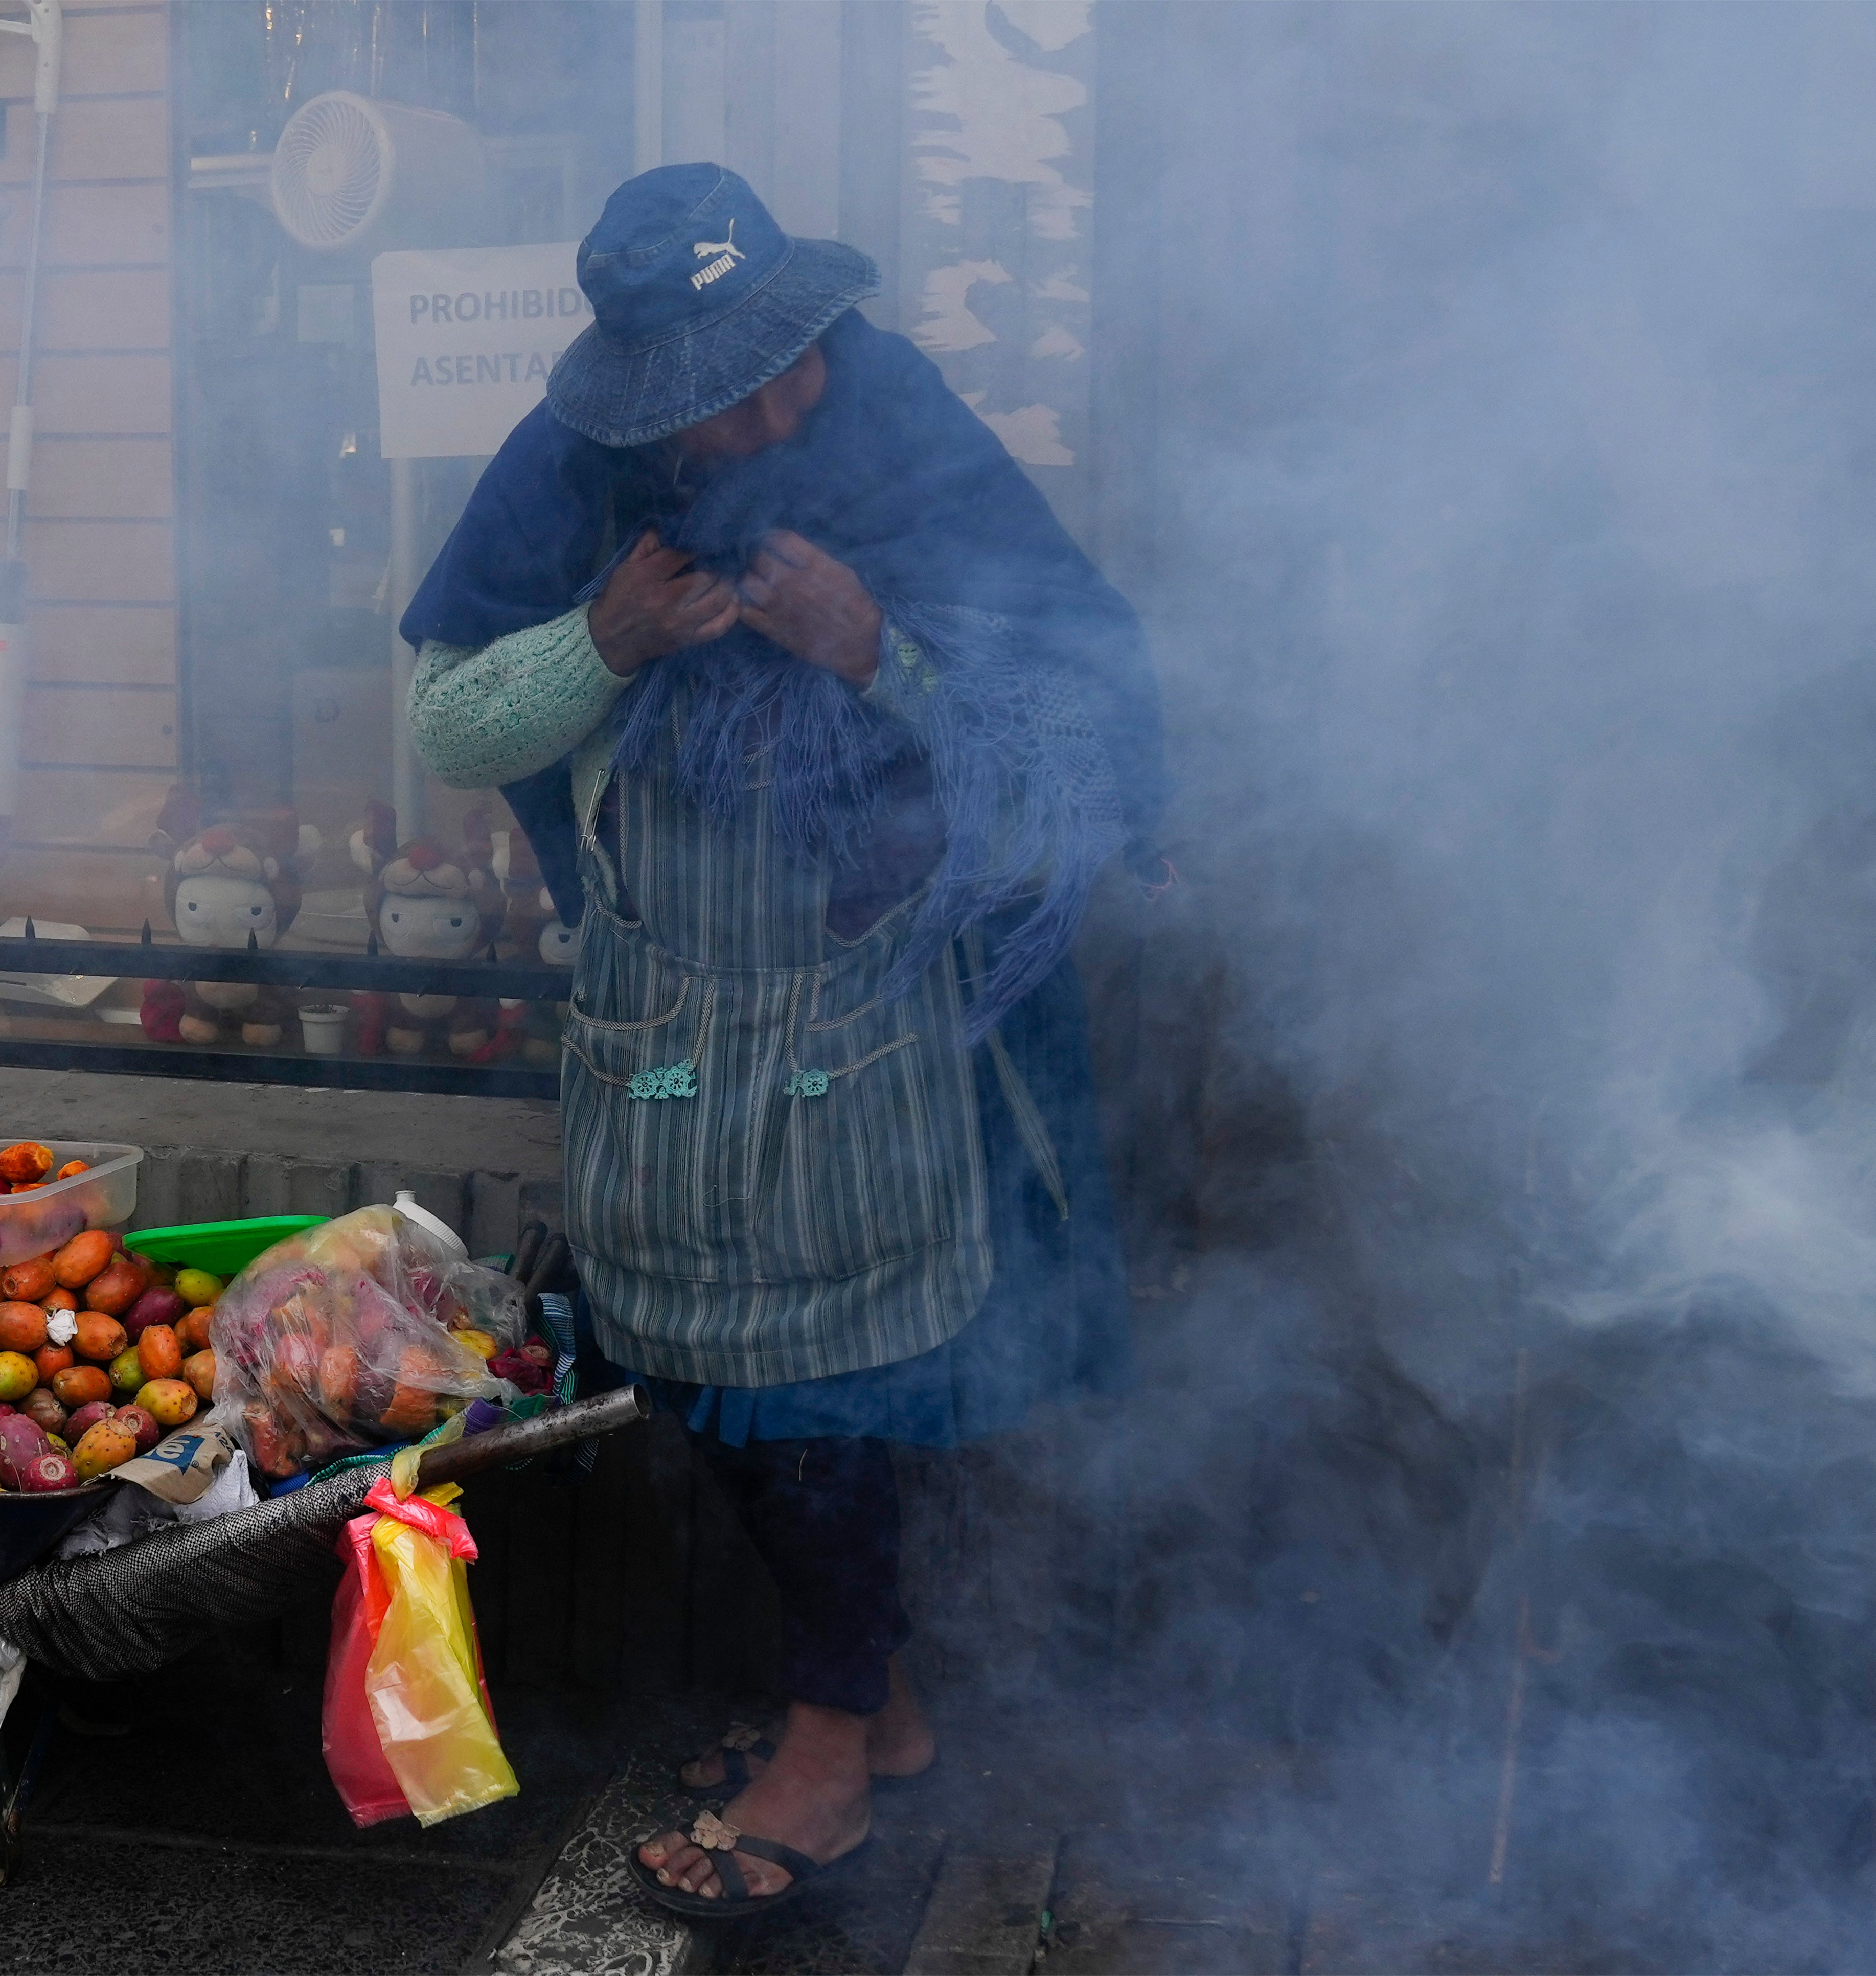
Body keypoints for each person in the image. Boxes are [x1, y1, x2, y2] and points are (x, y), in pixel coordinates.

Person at [403, 165, 1165, 1919]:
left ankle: (828, 1749)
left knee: (832, 1385)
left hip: (878, 1017)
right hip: (664, 1021)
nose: (775, 408)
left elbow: (1065, 769)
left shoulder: (906, 439)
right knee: (685, 1360)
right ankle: (880, 1713)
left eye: (791, 359)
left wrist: (874, 651)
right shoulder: (571, 477)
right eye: (720, 391)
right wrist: (605, 636)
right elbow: (453, 718)